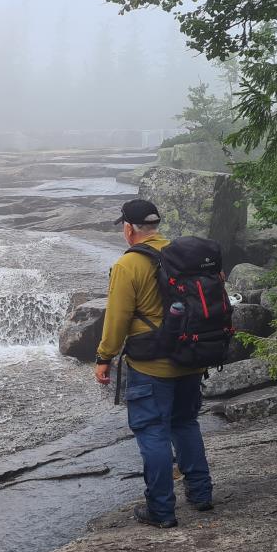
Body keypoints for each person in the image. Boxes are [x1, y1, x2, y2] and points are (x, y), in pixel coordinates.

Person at [94, 199, 214, 529]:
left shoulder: (129, 265)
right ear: (156, 226)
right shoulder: (183, 254)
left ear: (129, 228)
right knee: (186, 423)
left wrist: (104, 357)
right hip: (192, 357)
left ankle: (161, 510)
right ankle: (201, 495)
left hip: (152, 365)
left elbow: (117, 319)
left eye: (124, 226)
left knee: (153, 433)